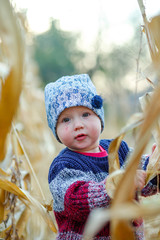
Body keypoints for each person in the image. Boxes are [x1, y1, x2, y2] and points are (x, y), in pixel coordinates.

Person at [44, 74, 157, 240]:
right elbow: (77, 202)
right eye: (66, 119)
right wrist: (119, 184)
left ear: (99, 116)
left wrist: (155, 166)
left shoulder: (119, 150)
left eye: (85, 114)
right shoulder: (63, 166)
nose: (78, 125)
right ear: (56, 129)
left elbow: (144, 180)